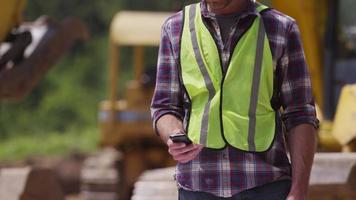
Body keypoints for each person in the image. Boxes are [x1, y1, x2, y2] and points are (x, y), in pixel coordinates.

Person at [151, 0, 319, 199]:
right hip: (198, 186)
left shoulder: (280, 28)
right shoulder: (175, 28)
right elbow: (164, 106)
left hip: (265, 185)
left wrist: (299, 191)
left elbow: (300, 114)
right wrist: (174, 134)